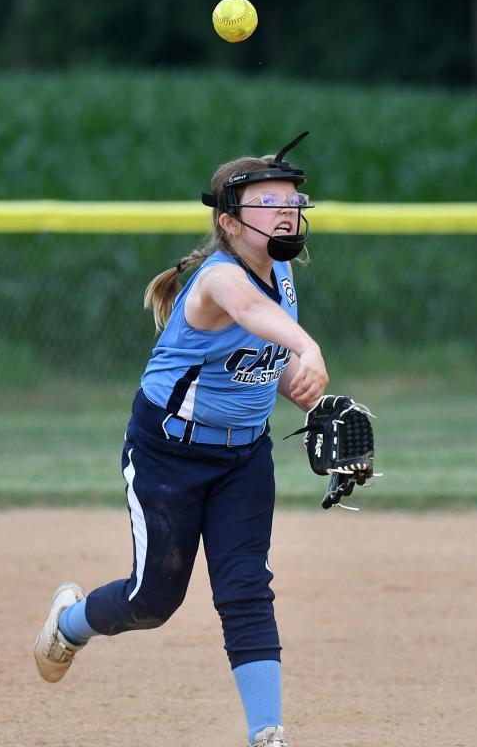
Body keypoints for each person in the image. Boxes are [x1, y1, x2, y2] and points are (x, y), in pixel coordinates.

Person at [34, 131, 329, 747]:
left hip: (245, 455)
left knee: (246, 588)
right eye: (269, 201)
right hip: (168, 455)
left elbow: (259, 354)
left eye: (292, 201)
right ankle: (70, 622)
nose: (287, 210)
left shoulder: (278, 272)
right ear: (229, 222)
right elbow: (251, 316)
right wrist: (308, 347)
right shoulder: (219, 280)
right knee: (153, 599)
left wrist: (306, 390)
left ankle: (266, 734)